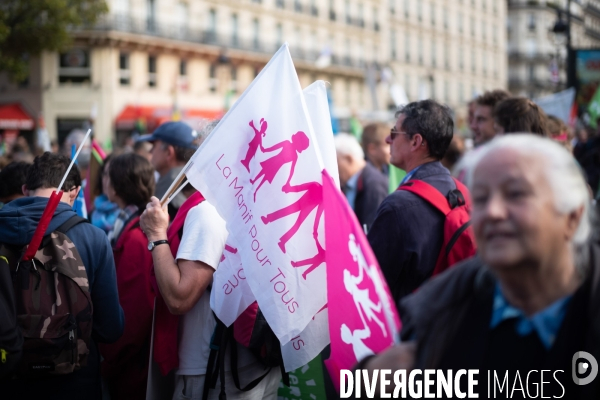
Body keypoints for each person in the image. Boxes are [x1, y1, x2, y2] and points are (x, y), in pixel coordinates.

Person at [362, 135, 599, 398]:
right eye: (482, 198)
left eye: (516, 194)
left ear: (572, 216)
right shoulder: (438, 312)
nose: (493, 212)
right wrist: (369, 380)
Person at [140, 123, 280, 400]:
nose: (195, 156)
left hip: (213, 370)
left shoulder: (208, 212)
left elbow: (179, 298)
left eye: (202, 147)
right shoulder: (261, 202)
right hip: (251, 364)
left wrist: (156, 234)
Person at [0, 152, 124, 399]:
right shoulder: (93, 238)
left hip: (10, 375)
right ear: (75, 192)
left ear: (25, 189)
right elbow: (110, 328)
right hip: (75, 380)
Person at [367, 100, 457, 302]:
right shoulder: (462, 191)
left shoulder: (398, 207)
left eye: (394, 132)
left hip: (409, 326)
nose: (387, 139)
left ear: (416, 142)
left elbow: (370, 283)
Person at [98, 153, 156, 400]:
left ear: (118, 184)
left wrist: (110, 360)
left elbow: (135, 311)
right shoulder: (132, 224)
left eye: (107, 175)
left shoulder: (135, 237)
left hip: (131, 365)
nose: (103, 181)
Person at [138, 121, 199, 219]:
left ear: (169, 153)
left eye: (154, 146)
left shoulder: (170, 199)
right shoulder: (193, 186)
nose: (150, 151)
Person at [335, 133, 388, 231]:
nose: (334, 169)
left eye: (336, 162)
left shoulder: (374, 183)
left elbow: (372, 228)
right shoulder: (351, 182)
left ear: (348, 159)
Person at [89, 154, 120, 234]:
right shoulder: (91, 213)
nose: (107, 180)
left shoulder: (132, 217)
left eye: (112, 175)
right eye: (105, 174)